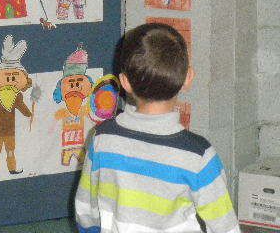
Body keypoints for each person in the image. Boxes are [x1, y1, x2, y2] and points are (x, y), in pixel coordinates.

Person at [75, 23, 240, 233]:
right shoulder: (199, 155)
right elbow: (225, 226)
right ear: (187, 79)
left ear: (125, 82)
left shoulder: (102, 139)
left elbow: (85, 208)